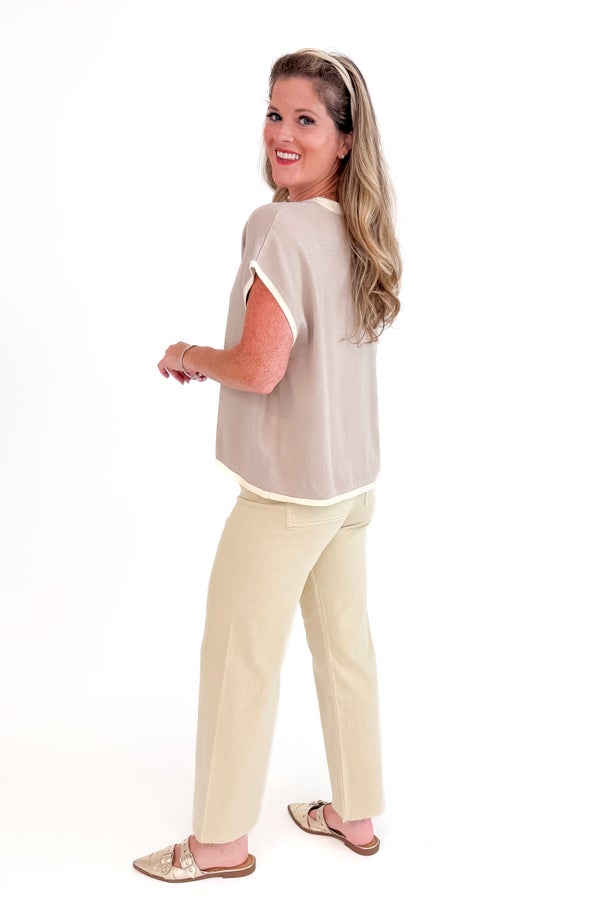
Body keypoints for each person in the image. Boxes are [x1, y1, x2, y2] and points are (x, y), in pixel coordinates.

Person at [132, 48, 402, 884]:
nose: (282, 134)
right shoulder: (360, 228)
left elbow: (259, 367)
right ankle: (354, 816)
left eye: (306, 120)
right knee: (344, 646)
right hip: (350, 483)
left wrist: (186, 353)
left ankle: (218, 845)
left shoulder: (279, 226)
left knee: (237, 658)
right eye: (275, 113)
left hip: (288, 494)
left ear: (345, 139)